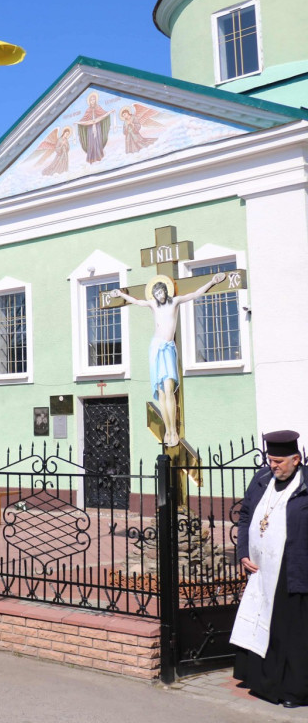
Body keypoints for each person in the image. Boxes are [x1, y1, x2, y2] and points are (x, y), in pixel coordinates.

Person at [231, 430, 308, 709]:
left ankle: (294, 691)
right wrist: (242, 553)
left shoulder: (305, 484)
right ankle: (261, 681)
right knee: (263, 623)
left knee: (292, 632)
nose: (273, 466)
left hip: (293, 569)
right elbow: (245, 516)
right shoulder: (262, 479)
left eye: (278, 461)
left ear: (296, 459)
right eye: (270, 460)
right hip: (262, 570)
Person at [111, 274, 226, 446]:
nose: (159, 296)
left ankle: (174, 430)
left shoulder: (175, 302)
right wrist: (121, 294)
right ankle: (168, 430)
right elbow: (137, 302)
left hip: (168, 348)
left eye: (161, 292)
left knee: (169, 389)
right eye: (156, 294)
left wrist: (212, 282)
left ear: (166, 291)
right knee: (162, 393)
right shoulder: (152, 305)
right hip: (156, 348)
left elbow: (195, 294)